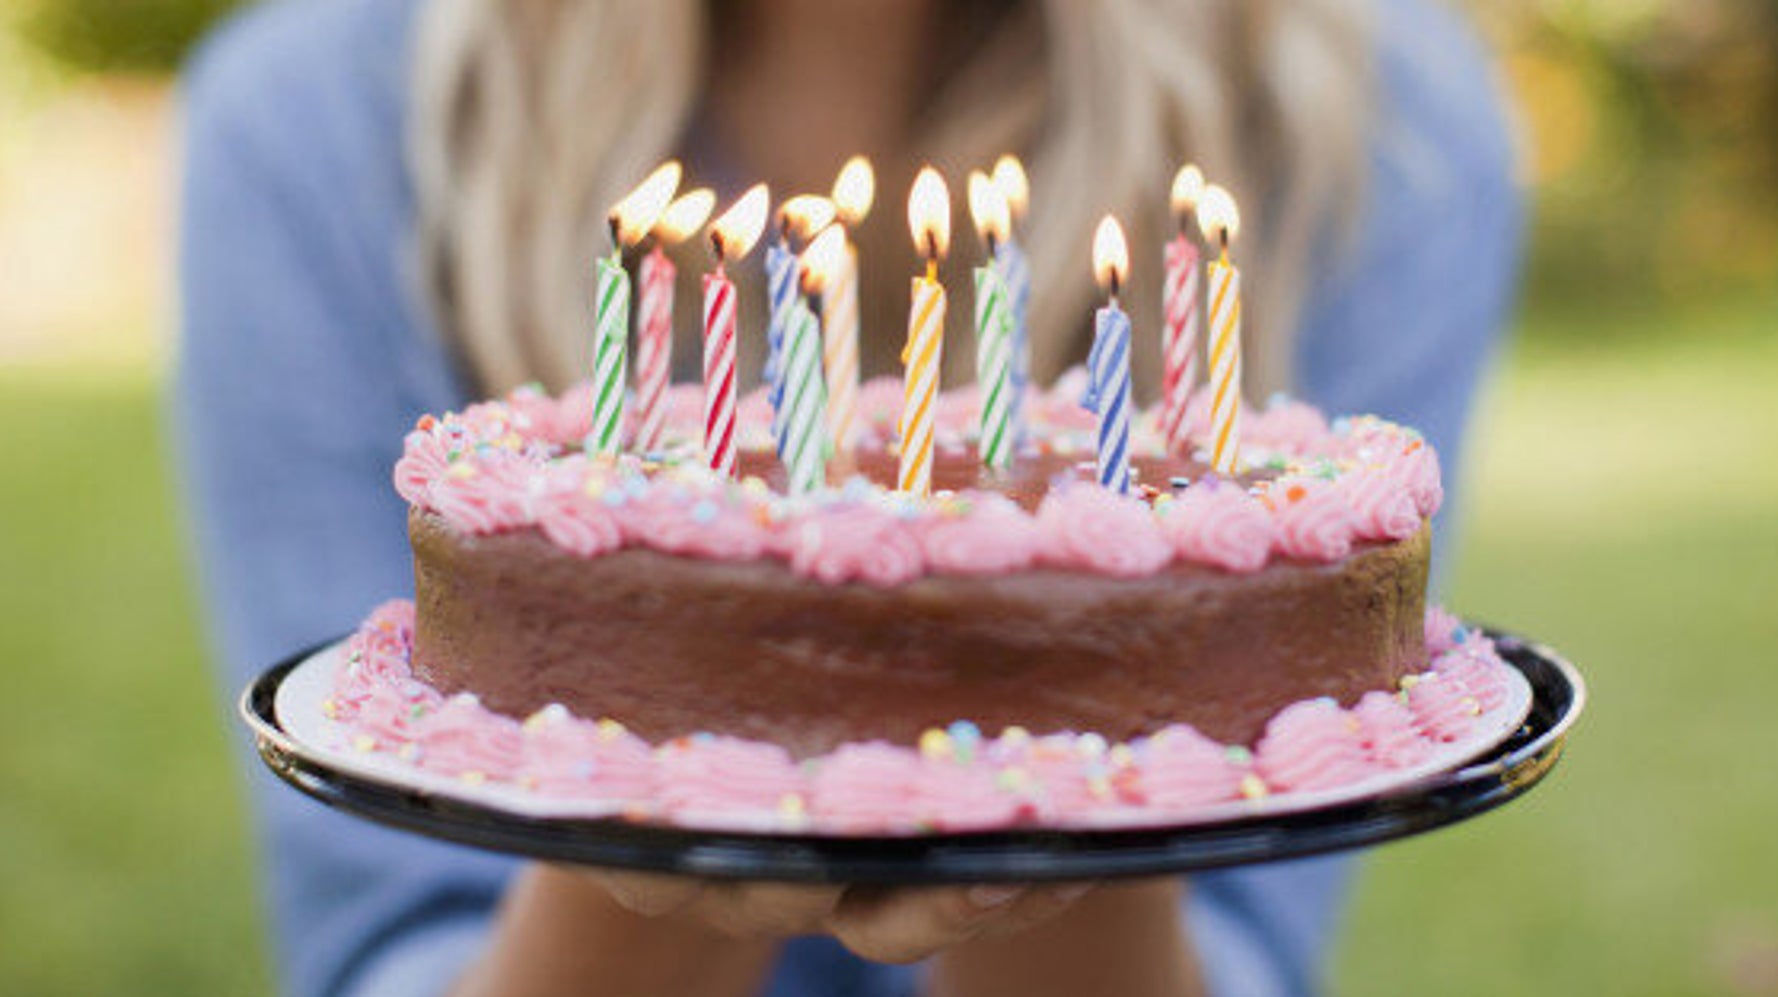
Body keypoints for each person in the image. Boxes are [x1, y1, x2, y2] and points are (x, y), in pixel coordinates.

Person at [174, 0, 1521, 994]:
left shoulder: (1381, 128)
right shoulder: (314, 122)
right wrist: (662, 806)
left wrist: (1079, 777)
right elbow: (385, 944)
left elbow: (1249, 944)